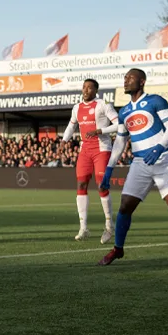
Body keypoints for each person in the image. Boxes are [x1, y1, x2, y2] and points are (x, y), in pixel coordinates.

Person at [97, 68, 168, 270]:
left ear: (142, 81)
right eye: (125, 77)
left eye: (130, 77)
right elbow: (120, 142)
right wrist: (110, 169)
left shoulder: (156, 101)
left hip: (164, 159)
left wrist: (159, 147)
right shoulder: (124, 112)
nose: (126, 80)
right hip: (139, 163)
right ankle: (118, 249)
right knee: (125, 207)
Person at [61, 79, 119, 243]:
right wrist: (64, 141)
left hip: (102, 149)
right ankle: (83, 227)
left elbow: (118, 124)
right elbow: (71, 126)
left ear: (96, 90)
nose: (85, 90)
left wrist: (100, 130)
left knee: (102, 185)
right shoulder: (77, 107)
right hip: (85, 150)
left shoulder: (103, 104)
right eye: (84, 87)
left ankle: (109, 226)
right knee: (81, 185)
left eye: (89, 87)